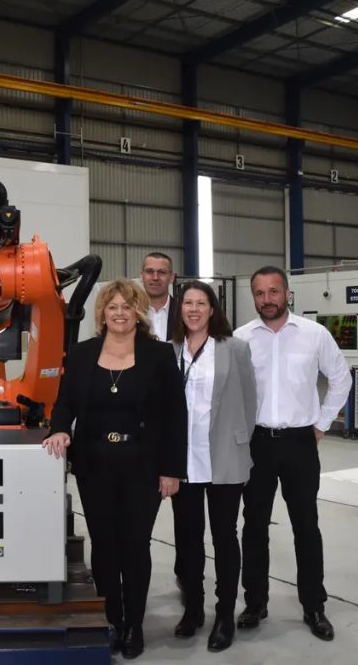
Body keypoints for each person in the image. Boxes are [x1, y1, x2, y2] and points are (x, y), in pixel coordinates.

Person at [43, 278, 186, 660]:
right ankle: (112, 621)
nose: (120, 313)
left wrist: (172, 470)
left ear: (139, 312)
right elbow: (64, 402)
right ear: (102, 313)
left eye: (127, 306)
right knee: (104, 545)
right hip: (94, 465)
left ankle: (134, 624)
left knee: (136, 546)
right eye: (112, 307)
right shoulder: (82, 353)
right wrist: (59, 429)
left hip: (144, 465)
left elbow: (176, 416)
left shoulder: (159, 355)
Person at [234, 266, 351, 642]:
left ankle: (314, 605)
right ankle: (255, 602)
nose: (267, 299)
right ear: (253, 297)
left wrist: (322, 423)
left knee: (306, 525)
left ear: (287, 293)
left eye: (273, 291)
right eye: (259, 293)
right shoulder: (240, 338)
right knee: (254, 526)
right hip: (256, 444)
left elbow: (341, 377)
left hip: (300, 442)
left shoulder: (314, 335)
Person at [169, 280, 256, 652]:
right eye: (187, 303)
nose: (193, 309)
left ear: (212, 309)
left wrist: (239, 440)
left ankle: (224, 615)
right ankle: (193, 610)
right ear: (180, 310)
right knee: (188, 539)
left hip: (224, 457)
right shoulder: (169, 351)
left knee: (224, 538)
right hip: (183, 461)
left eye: (200, 303)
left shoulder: (234, 348)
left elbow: (250, 401)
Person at [141, 252, 177, 340]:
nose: (155, 277)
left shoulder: (182, 312)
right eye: (149, 271)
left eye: (162, 272)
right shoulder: (131, 312)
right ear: (142, 276)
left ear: (171, 277)